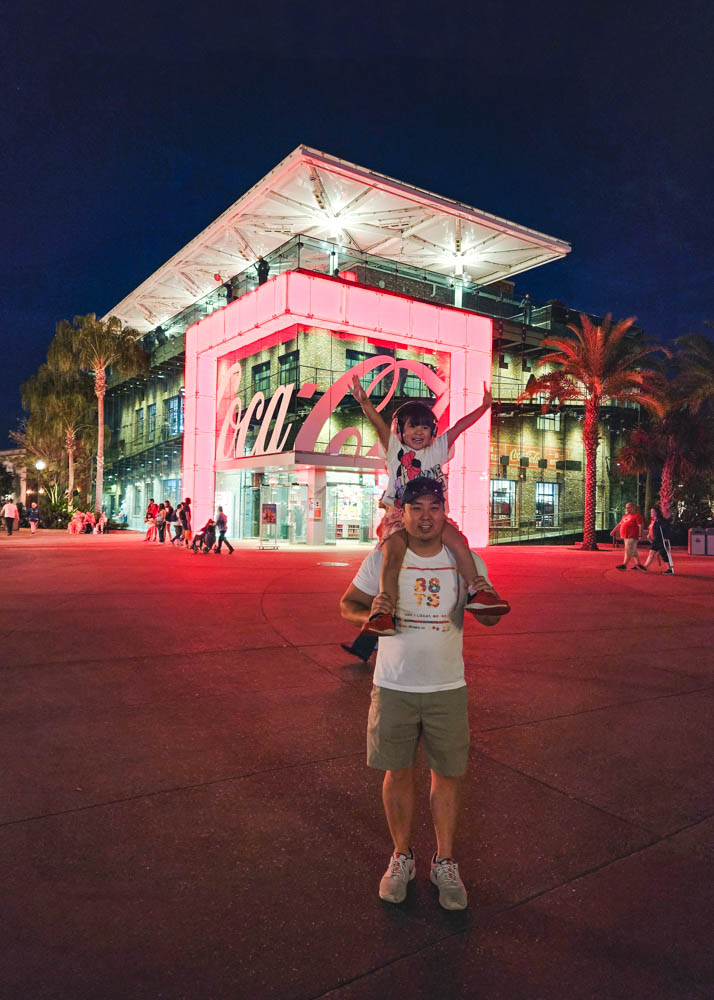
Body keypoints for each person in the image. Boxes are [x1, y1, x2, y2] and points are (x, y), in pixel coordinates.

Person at [340, 477, 502, 911]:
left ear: (444, 511)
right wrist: (371, 615)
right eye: (417, 508)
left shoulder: (462, 558)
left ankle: (445, 862)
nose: (426, 515)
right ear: (403, 513)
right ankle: (402, 857)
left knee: (447, 775)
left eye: (434, 507)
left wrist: (481, 605)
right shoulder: (383, 556)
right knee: (397, 773)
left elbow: (489, 620)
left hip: (447, 686)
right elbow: (347, 603)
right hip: (393, 685)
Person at [350, 374, 510, 636]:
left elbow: (459, 426)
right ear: (400, 431)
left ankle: (477, 590)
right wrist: (365, 403)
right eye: (412, 426)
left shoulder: (437, 450)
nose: (419, 432)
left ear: (432, 432)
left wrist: (482, 408)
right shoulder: (395, 452)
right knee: (392, 555)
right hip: (401, 517)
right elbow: (379, 425)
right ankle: (383, 612)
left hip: (433, 517)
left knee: (458, 541)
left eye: (425, 427)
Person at [613, 502, 645, 570]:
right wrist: (613, 530)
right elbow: (620, 524)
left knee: (628, 550)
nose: (627, 509)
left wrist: (640, 535)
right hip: (625, 536)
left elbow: (640, 526)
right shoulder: (625, 516)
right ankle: (638, 564)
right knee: (633, 551)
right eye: (626, 507)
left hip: (632, 536)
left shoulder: (637, 516)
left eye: (629, 507)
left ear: (633, 508)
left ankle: (624, 565)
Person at [643, 506, 674, 574]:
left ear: (657, 513)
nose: (651, 513)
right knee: (651, 553)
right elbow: (652, 529)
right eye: (651, 512)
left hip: (660, 540)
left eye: (653, 512)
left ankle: (670, 569)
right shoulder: (654, 520)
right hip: (656, 540)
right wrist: (649, 535)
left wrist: (666, 537)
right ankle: (645, 567)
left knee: (663, 553)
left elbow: (665, 529)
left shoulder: (660, 521)